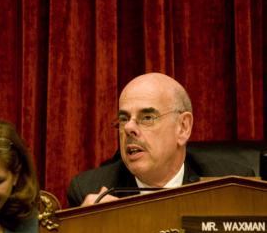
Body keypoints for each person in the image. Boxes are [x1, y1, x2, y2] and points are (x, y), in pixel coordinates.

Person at [67, 72, 255, 207]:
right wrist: (87, 229)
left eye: (147, 117)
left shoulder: (232, 185)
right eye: (124, 119)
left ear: (183, 127)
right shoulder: (89, 191)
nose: (129, 128)